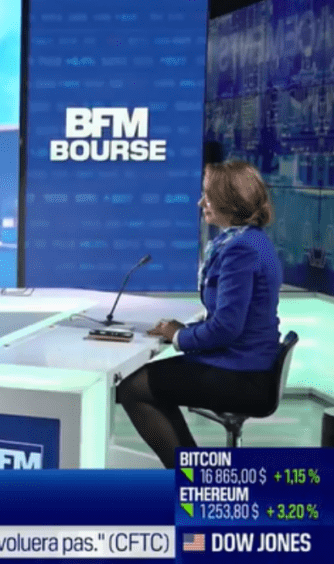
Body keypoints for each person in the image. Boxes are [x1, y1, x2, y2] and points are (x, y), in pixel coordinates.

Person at [117, 160, 282, 468]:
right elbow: (227, 319)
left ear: (230, 200)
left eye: (208, 195)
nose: (200, 202)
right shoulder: (247, 240)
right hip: (244, 363)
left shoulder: (241, 249)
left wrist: (179, 336)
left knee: (132, 388)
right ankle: (194, 472)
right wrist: (183, 331)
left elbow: (227, 328)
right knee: (146, 385)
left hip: (243, 374)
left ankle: (195, 478)